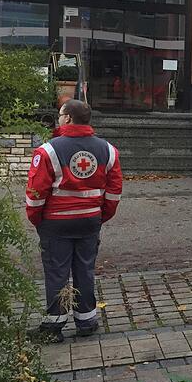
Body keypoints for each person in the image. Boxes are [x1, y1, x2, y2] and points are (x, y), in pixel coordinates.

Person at [25, 100, 122, 342]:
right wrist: (100, 216)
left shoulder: (48, 151)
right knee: (85, 269)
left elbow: (36, 192)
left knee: (57, 272)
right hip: (90, 221)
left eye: (60, 115)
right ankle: (87, 321)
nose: (59, 119)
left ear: (68, 118)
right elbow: (114, 190)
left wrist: (37, 219)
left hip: (56, 223)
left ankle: (54, 326)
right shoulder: (108, 150)